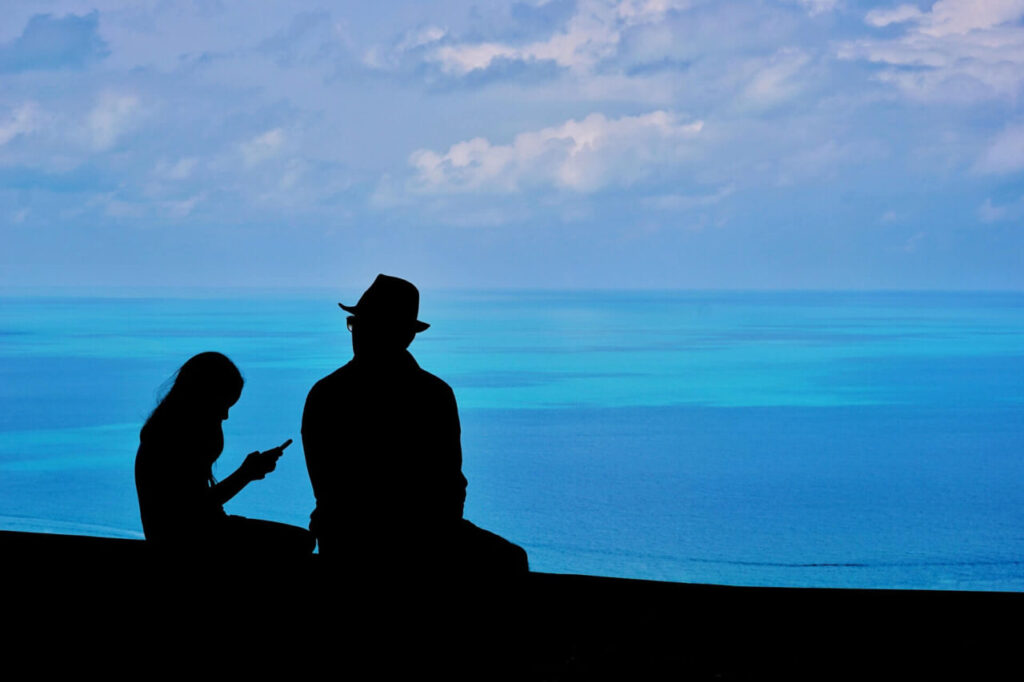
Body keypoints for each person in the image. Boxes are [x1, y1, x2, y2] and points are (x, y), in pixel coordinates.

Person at [302, 274, 528, 577]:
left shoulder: (326, 392)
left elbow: (327, 486)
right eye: (356, 324)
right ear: (407, 335)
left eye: (366, 324)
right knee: (511, 560)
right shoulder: (433, 394)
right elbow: (449, 481)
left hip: (345, 539)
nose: (358, 333)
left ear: (401, 335)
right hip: (411, 538)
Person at [135, 351, 314, 557]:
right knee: (301, 541)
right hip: (193, 539)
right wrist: (246, 474)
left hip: (191, 534)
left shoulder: (162, 432)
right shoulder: (172, 440)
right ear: (204, 397)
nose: (225, 416)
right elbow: (195, 510)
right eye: (223, 405)